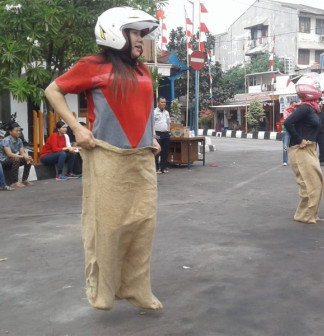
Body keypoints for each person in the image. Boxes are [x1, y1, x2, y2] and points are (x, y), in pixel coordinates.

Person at [45, 7, 162, 311]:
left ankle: (138, 289)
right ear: (115, 32)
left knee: (142, 225)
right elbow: (52, 90)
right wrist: (76, 127)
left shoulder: (142, 69)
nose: (142, 39)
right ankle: (103, 292)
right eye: (136, 33)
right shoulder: (92, 65)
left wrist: (151, 136)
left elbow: (143, 107)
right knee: (108, 228)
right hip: (108, 156)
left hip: (142, 159)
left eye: (141, 33)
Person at [284, 82, 324, 224]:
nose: (320, 101)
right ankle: (304, 215)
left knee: (316, 182)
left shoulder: (311, 110)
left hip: (310, 149)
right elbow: (288, 122)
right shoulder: (305, 108)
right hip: (301, 150)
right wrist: (299, 139)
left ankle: (310, 214)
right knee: (309, 184)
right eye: (319, 99)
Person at [0, 123, 34, 188]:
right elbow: (9, 154)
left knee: (28, 159)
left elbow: (22, 152)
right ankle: (14, 182)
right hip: (3, 161)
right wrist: (23, 156)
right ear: (10, 131)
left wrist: (26, 157)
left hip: (11, 160)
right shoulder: (6, 140)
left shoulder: (19, 140)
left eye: (19, 130)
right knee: (16, 159)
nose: (19, 132)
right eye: (16, 131)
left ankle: (24, 180)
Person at [154, 96, 171, 174]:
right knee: (157, 150)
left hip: (165, 134)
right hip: (157, 134)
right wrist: (154, 135)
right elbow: (152, 124)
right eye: (162, 102)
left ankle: (163, 168)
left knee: (165, 151)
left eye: (164, 102)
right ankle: (156, 168)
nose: (164, 104)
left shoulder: (166, 112)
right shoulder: (154, 112)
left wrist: (169, 131)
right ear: (158, 102)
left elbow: (168, 123)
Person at [282, 101, 296, 166]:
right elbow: (286, 120)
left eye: (295, 105)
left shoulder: (297, 111)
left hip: (294, 130)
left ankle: (294, 161)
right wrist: (291, 113)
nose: (294, 107)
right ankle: (285, 161)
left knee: (294, 146)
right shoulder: (286, 110)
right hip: (287, 130)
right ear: (290, 105)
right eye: (293, 105)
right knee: (285, 146)